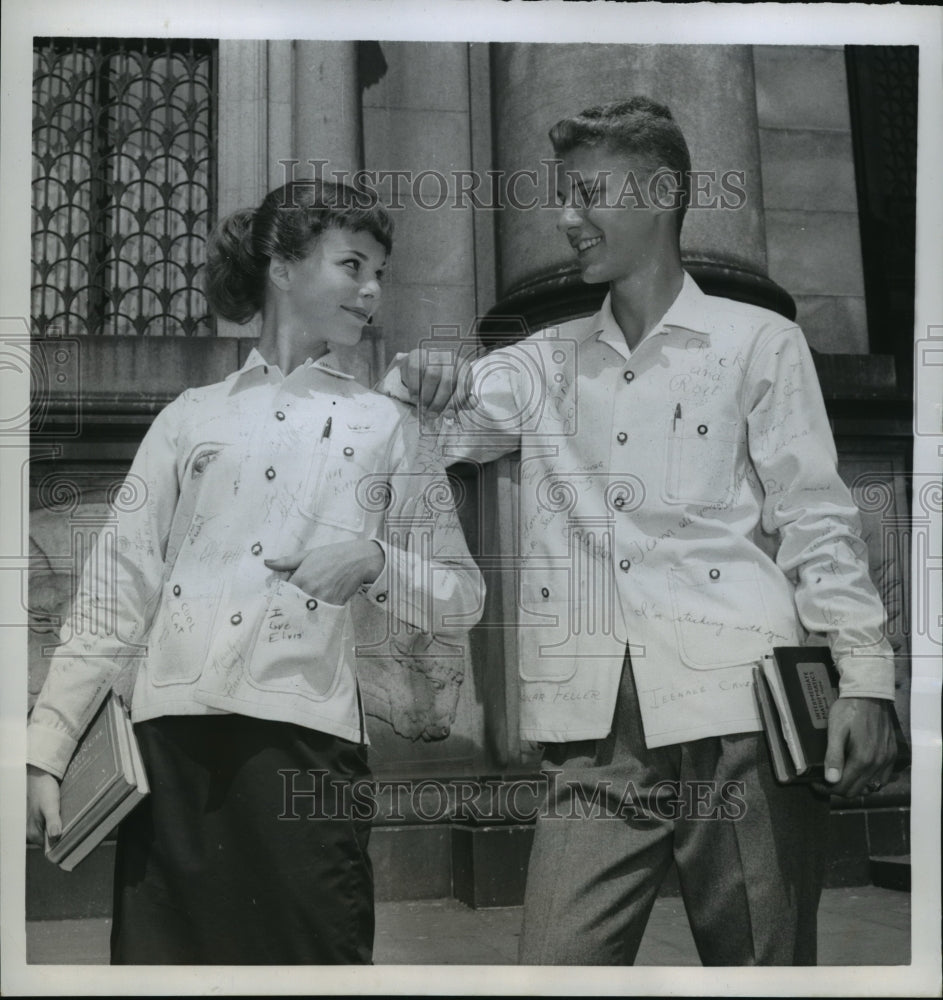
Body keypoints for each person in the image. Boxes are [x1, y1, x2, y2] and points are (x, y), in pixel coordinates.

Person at [392, 97, 898, 965]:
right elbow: (419, 433)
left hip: (741, 710)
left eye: (587, 193)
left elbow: (813, 515)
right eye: (563, 195)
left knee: (761, 973)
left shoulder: (759, 341)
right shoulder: (542, 360)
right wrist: (420, 375)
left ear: (660, 192)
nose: (565, 218)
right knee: (556, 964)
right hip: (593, 730)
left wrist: (865, 677)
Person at [26, 179, 483, 964]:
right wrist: (48, 745)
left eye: (381, 272)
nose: (372, 290)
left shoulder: (387, 424)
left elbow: (461, 595)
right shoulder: (189, 416)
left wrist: (375, 561)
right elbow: (113, 592)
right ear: (282, 266)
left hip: (306, 758)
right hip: (168, 753)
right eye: (352, 265)